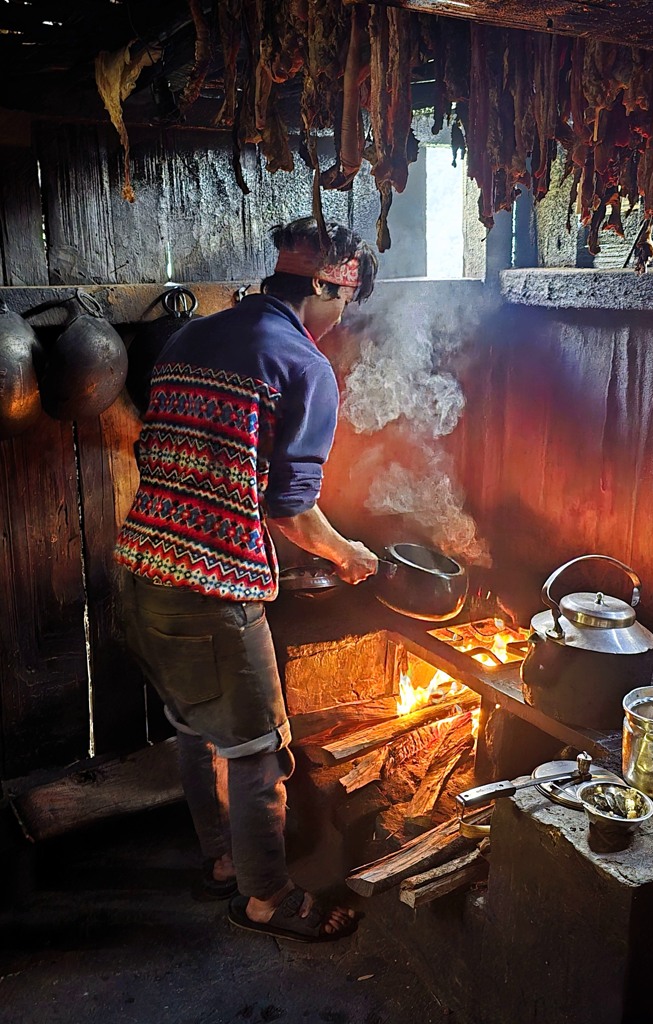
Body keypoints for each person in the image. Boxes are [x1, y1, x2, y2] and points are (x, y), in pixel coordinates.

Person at [115, 217, 380, 942]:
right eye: (343, 304)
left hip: (141, 574)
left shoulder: (190, 337)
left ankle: (223, 864)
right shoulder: (303, 365)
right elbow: (290, 508)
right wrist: (347, 553)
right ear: (328, 288)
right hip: (209, 592)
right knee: (260, 749)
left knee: (197, 730)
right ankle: (269, 900)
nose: (339, 320)